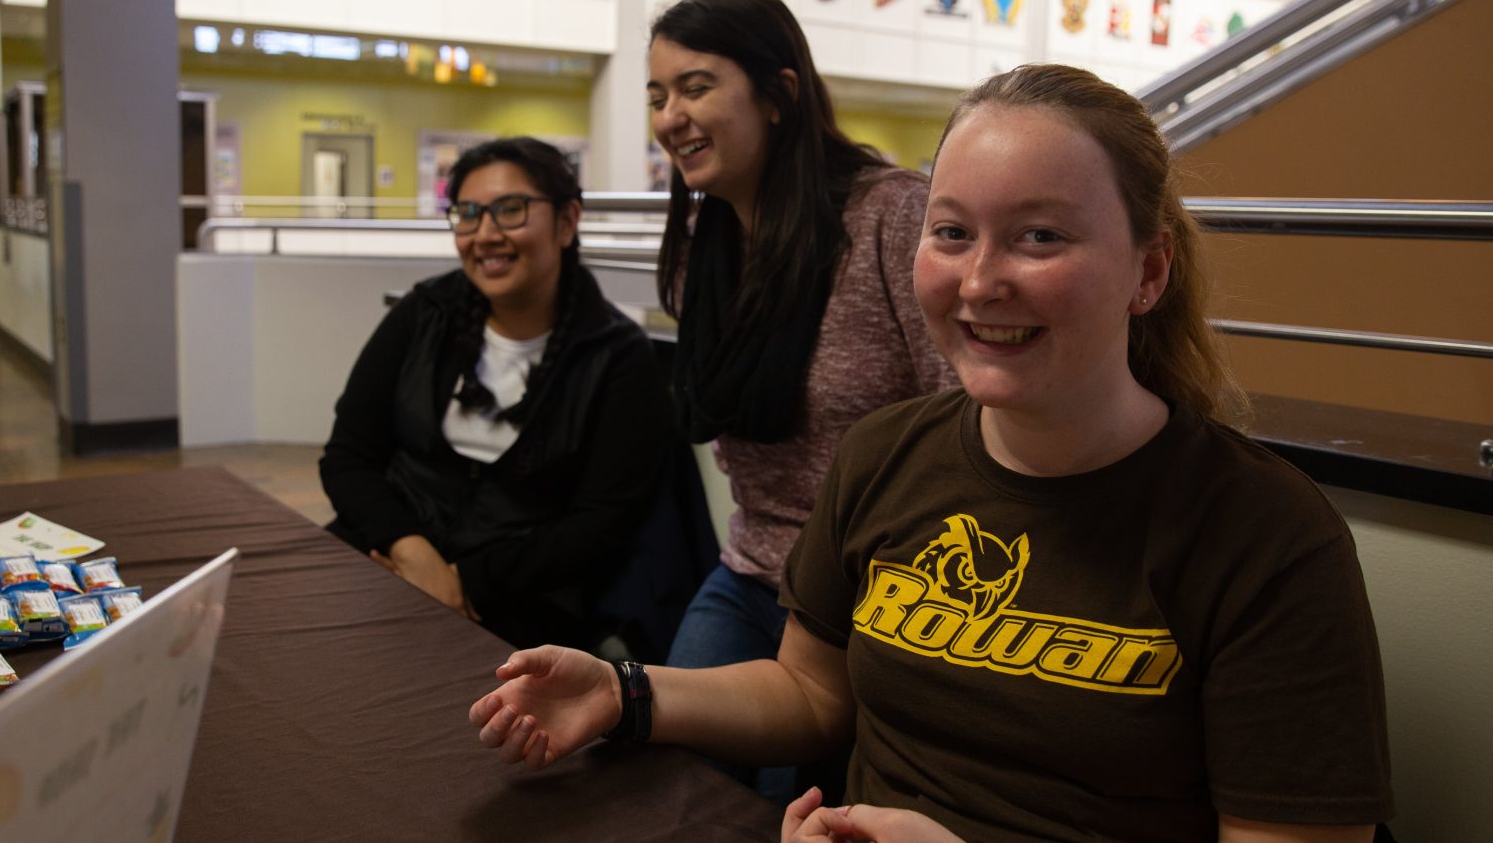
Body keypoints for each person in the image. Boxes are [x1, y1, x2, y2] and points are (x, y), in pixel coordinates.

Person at [468, 66, 1394, 843]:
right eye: (951, 231)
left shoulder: (1265, 535)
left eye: (1040, 236)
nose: (981, 280)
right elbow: (807, 691)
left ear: (1147, 271)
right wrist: (624, 690)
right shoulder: (885, 455)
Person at [647, 0, 954, 714]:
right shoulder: (704, 248)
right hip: (751, 571)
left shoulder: (892, 215)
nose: (669, 118)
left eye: (696, 88)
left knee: (791, 813)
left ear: (779, 94)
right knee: (664, 777)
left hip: (874, 595)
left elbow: (961, 416)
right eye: (658, 95)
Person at [318, 137, 674, 651]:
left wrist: (464, 583)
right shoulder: (424, 316)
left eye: (510, 210)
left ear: (568, 221)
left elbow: (601, 524)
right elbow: (348, 456)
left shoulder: (617, 357)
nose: (485, 234)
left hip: (524, 601)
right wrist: (413, 552)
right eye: (467, 213)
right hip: (387, 557)